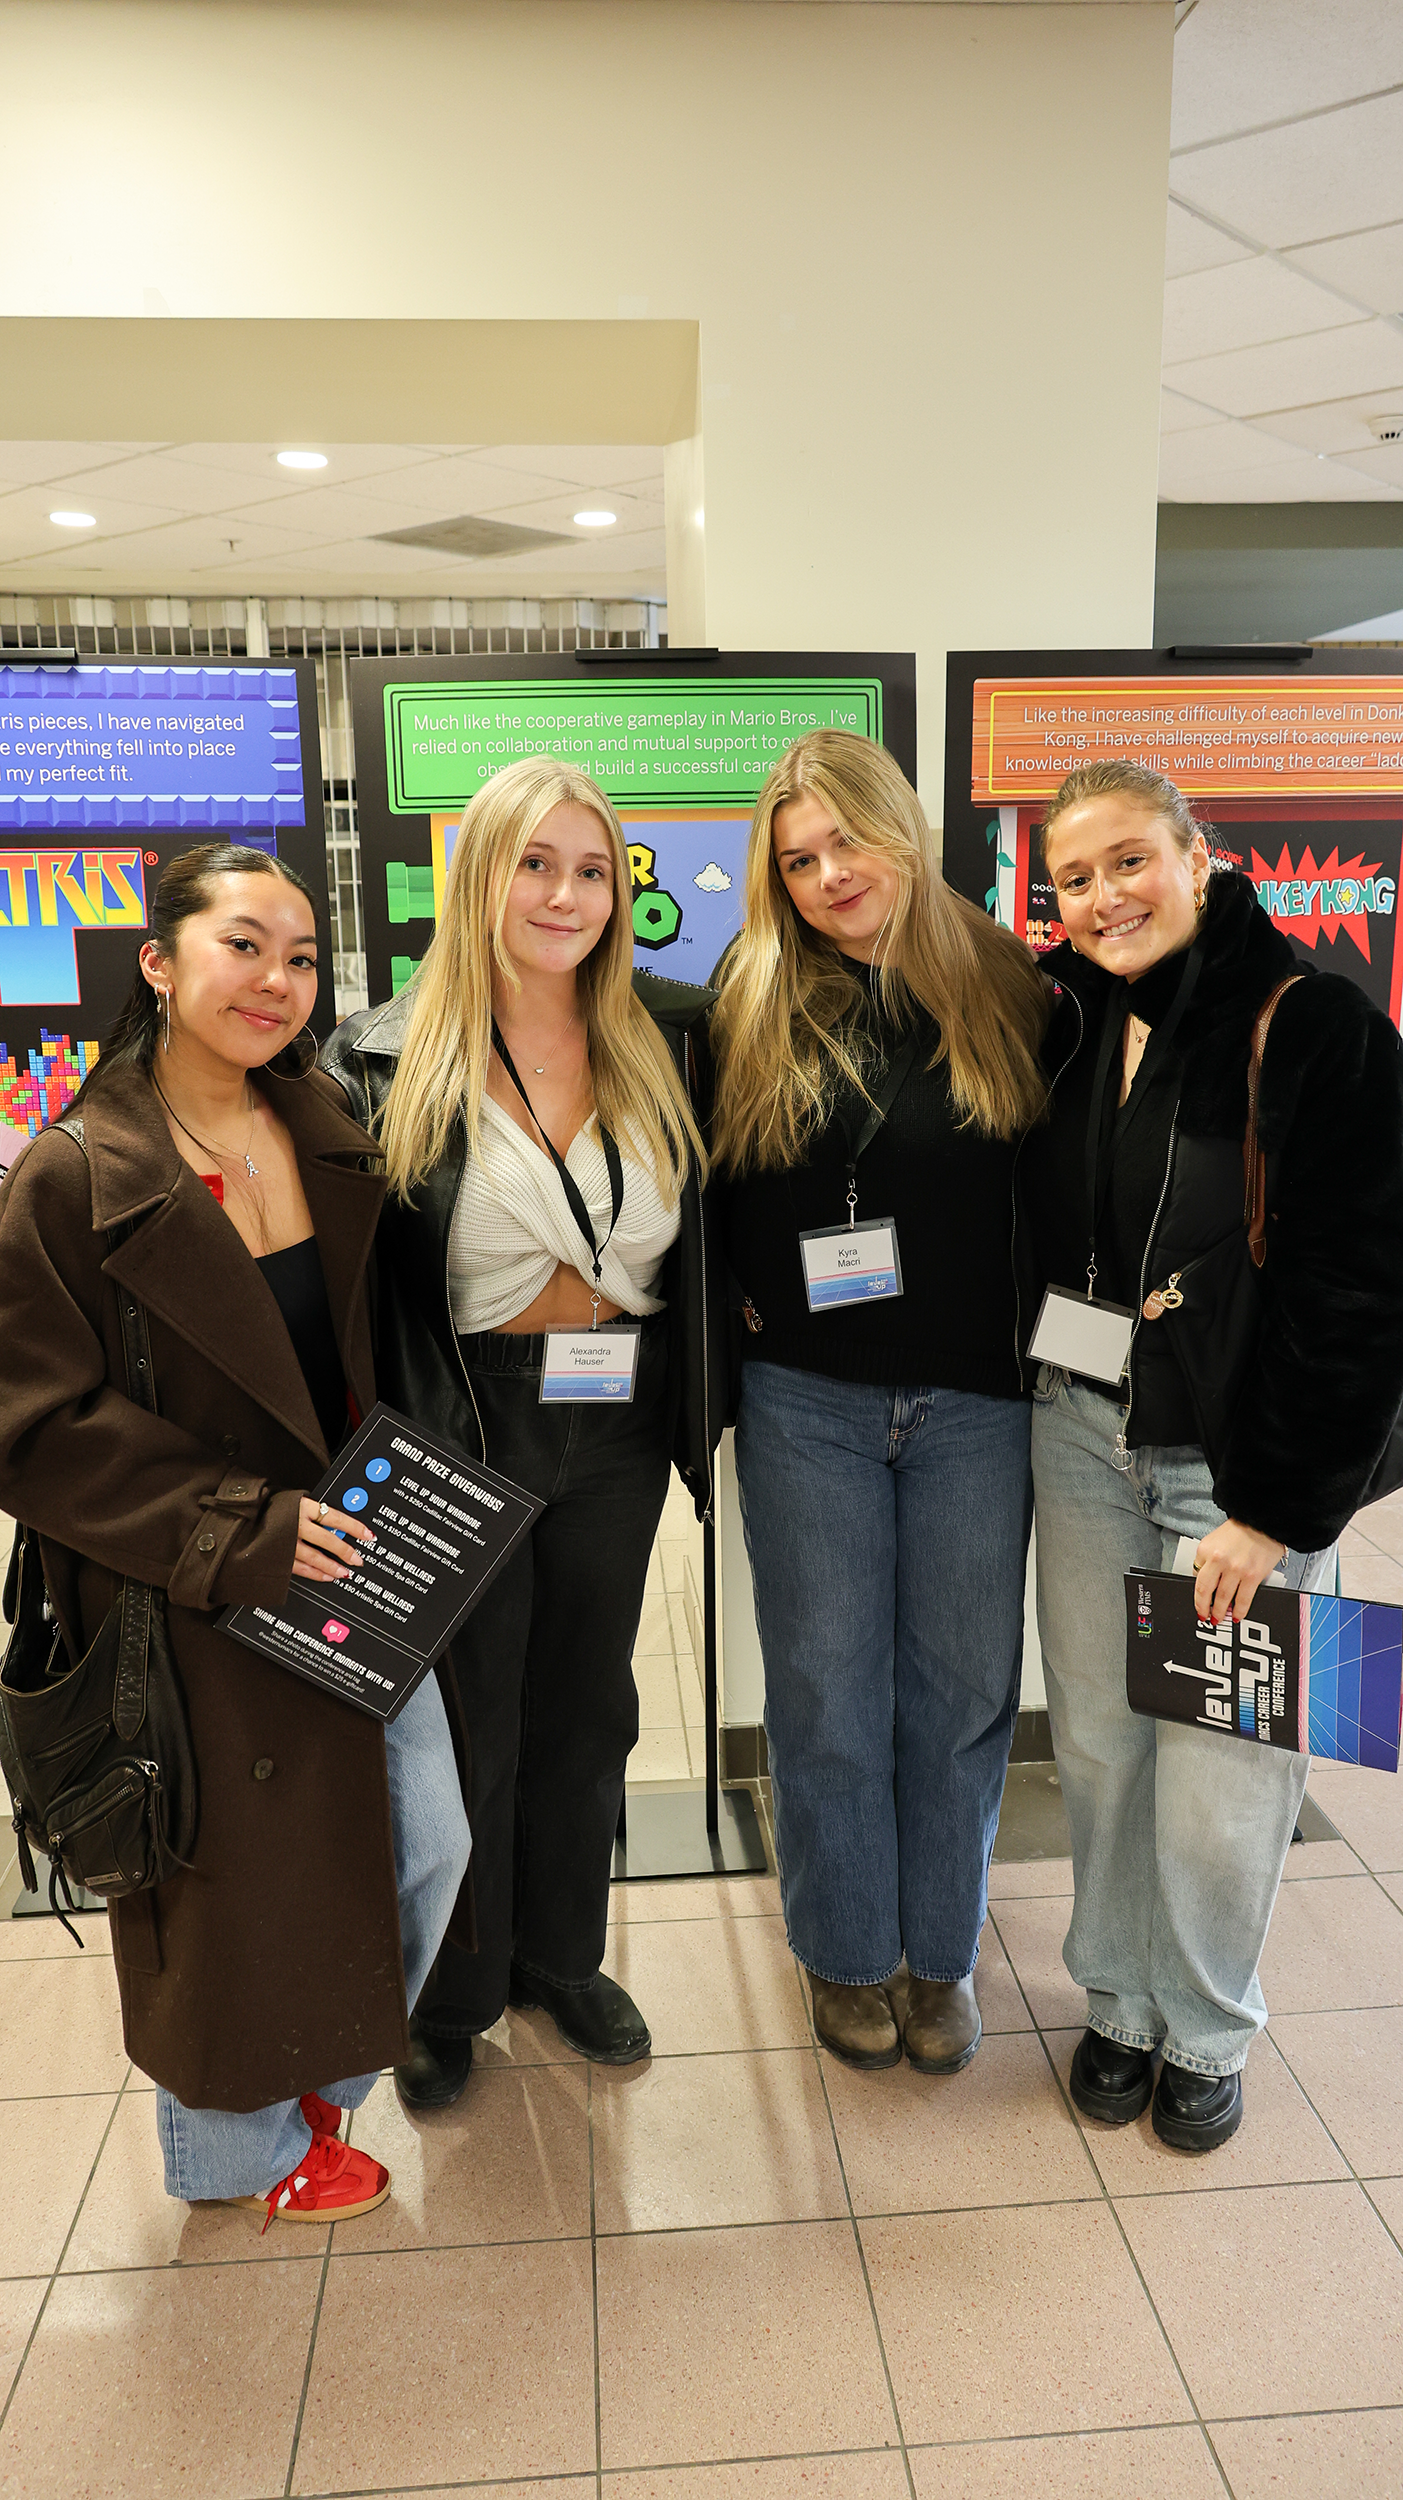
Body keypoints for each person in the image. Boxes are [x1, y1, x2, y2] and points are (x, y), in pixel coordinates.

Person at [0, 844, 471, 2223]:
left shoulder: (322, 1126)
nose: (277, 980)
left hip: (347, 1559)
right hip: (188, 1586)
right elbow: (31, 1428)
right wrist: (237, 1525)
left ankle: (318, 2078)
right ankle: (231, 2160)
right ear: (159, 963)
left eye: (302, 957)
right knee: (220, 1889)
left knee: (424, 1841)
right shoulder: (73, 1175)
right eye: (243, 946)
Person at [321, 755, 718, 2105]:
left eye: (591, 869)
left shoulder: (667, 1041)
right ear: (479, 876)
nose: (564, 894)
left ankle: (562, 1957)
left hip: (618, 1418)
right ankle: (453, 1991)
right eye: (534, 864)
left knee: (589, 1705)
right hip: (460, 1414)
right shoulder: (382, 1054)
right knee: (470, 1710)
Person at [1021, 760, 1403, 2151]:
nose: (1104, 897)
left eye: (1129, 860)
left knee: (1223, 1769)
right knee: (1103, 1746)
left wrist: (1271, 1510)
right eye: (1074, 879)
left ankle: (1205, 2026)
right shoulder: (1070, 1020)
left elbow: (1361, 1296)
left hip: (1233, 1472)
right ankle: (1119, 2002)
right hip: (1079, 1437)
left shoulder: (1317, 1028)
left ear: (1197, 856)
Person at [707, 730, 1049, 2073]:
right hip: (806, 1404)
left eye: (846, 842)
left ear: (901, 827)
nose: (829, 877)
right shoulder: (746, 997)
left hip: (976, 1404)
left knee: (960, 1694)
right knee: (825, 1693)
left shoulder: (1011, 985)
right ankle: (848, 1952)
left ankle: (942, 1952)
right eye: (797, 862)